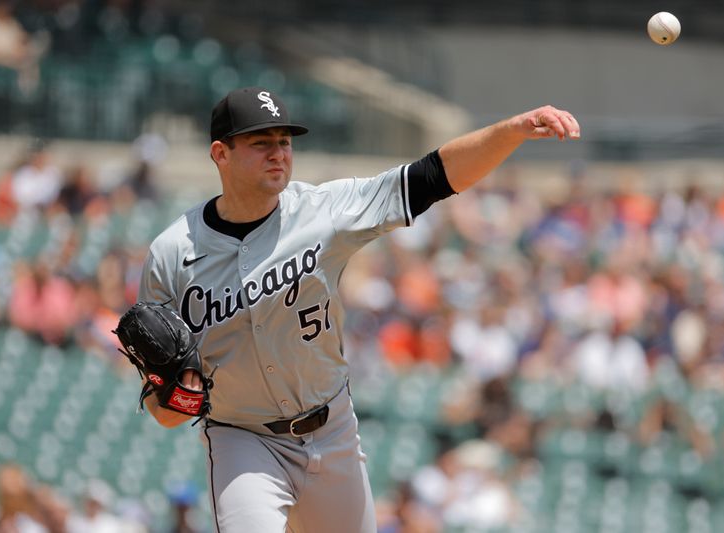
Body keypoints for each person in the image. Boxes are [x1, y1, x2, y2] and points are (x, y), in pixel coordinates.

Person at [136, 86, 580, 532]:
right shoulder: (172, 254)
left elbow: (431, 176)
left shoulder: (324, 211)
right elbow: (164, 410)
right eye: (260, 143)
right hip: (242, 438)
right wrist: (179, 396)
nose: (278, 154)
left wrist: (513, 130)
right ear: (221, 153)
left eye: (284, 142)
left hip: (331, 431)